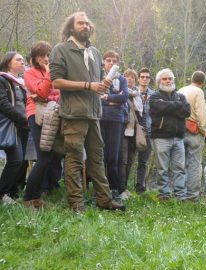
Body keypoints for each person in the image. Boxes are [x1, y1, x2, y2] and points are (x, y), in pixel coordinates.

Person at [50, 11, 125, 212]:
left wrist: (103, 84)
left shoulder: (95, 52)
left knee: (97, 158)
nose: (86, 26)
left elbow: (97, 83)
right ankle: (76, 204)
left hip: (94, 113)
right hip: (74, 114)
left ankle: (105, 200)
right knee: (74, 159)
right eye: (81, 23)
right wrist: (88, 85)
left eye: (87, 23)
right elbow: (56, 81)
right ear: (71, 27)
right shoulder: (61, 50)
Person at [23, 41, 63, 209]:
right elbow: (42, 92)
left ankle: (35, 197)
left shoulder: (54, 73)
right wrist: (48, 73)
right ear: (36, 58)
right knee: (43, 157)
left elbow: (57, 94)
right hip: (36, 115)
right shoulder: (30, 73)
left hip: (53, 115)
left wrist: (45, 96)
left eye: (49, 55)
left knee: (50, 157)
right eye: (44, 56)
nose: (47, 59)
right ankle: (29, 197)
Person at [149, 68, 191, 201]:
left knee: (179, 168)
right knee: (162, 169)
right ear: (159, 81)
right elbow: (159, 108)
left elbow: (187, 111)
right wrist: (177, 106)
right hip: (161, 137)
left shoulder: (181, 96)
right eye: (164, 79)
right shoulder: (154, 96)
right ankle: (164, 194)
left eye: (170, 78)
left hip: (178, 137)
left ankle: (180, 195)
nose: (167, 81)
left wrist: (169, 107)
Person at [100, 50, 129, 201]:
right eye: (108, 60)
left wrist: (107, 97)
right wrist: (112, 101)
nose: (111, 63)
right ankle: (99, 187)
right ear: (104, 62)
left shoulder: (122, 79)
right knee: (99, 154)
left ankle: (114, 188)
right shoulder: (98, 77)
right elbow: (96, 97)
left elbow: (124, 97)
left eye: (114, 61)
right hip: (99, 118)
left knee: (113, 155)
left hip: (117, 119)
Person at [0, 52, 28, 204]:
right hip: (12, 125)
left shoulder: (19, 83)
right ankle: (1, 193)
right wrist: (23, 119)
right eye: (18, 60)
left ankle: (11, 194)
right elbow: (3, 104)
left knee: (21, 160)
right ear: (8, 62)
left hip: (22, 126)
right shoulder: (2, 79)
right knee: (16, 160)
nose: (22, 62)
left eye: (23, 60)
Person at [179, 71, 206, 201]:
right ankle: (192, 196)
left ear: (191, 79)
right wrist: (204, 130)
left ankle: (180, 193)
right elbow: (200, 113)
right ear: (203, 83)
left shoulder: (181, 89)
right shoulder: (198, 92)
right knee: (195, 164)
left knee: (180, 163)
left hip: (179, 128)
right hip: (193, 130)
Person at [118, 68, 142, 199]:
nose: (130, 79)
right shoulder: (121, 93)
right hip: (122, 130)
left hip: (133, 132)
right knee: (122, 160)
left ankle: (125, 187)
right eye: (127, 76)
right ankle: (119, 189)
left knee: (130, 160)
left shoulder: (137, 96)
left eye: (133, 77)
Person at [134, 68, 154, 194]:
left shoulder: (154, 95)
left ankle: (140, 187)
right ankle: (122, 186)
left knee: (143, 161)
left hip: (148, 132)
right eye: (142, 76)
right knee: (127, 160)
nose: (145, 79)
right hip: (133, 131)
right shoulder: (132, 92)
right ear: (139, 79)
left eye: (147, 77)